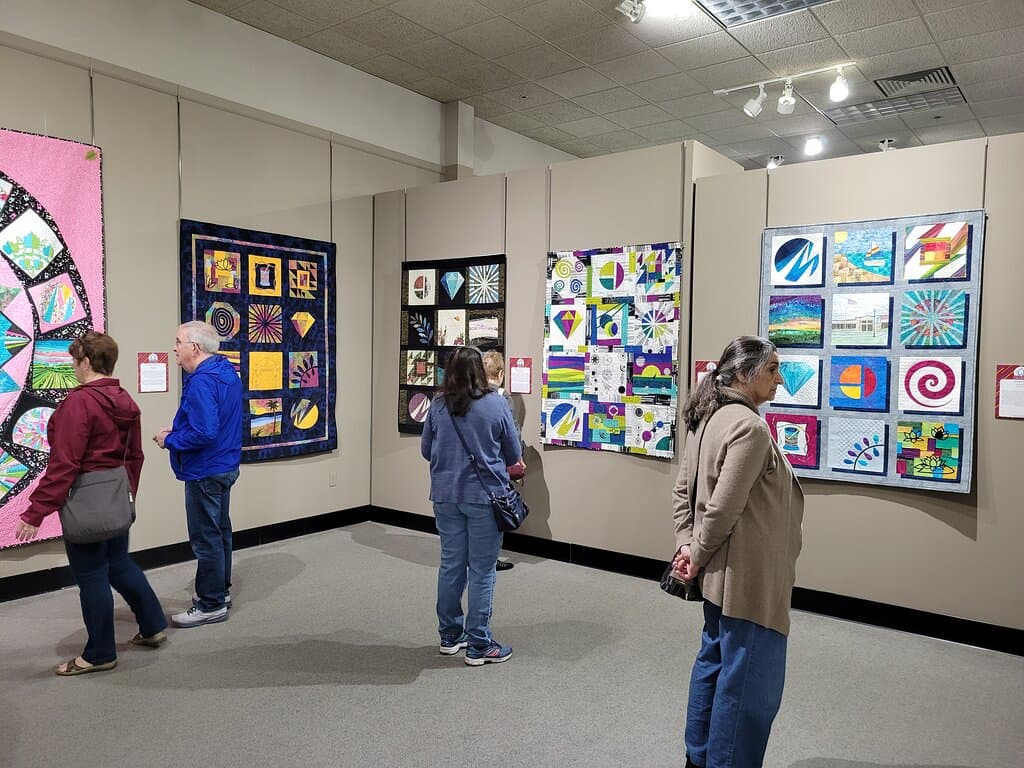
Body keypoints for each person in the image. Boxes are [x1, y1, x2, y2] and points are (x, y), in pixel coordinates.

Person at [671, 336, 804, 768]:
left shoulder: (709, 416)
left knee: (714, 666)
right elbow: (721, 507)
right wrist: (697, 553)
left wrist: (688, 548)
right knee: (748, 689)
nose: (780, 379)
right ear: (745, 374)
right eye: (772, 369)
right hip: (746, 583)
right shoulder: (748, 427)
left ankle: (700, 758)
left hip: (720, 581)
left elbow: (684, 493)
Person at [15, 331, 167, 676]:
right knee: (120, 565)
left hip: (85, 500)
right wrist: (126, 494)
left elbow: (64, 464)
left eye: (74, 360)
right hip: (115, 495)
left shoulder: (79, 404)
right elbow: (135, 456)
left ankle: (99, 653)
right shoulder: (125, 400)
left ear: (85, 362)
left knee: (91, 576)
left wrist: (35, 512)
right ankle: (154, 624)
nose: (72, 366)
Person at [421, 347, 521, 665]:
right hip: (484, 498)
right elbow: (513, 452)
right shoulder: (495, 404)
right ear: (480, 370)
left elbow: (427, 450)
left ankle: (450, 636)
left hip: (445, 497)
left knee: (451, 566)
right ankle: (479, 643)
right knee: (482, 571)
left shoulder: (437, 406)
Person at [154, 321, 242, 628]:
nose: (174, 348)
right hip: (225, 466)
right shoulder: (227, 372)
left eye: (177, 341)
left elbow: (205, 432)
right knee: (220, 533)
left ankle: (211, 603)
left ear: (194, 347)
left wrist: (170, 440)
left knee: (206, 539)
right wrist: (177, 429)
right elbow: (214, 422)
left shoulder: (202, 382)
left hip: (205, 470)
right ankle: (221, 591)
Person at [481, 349, 525, 572]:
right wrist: (518, 458)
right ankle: (491, 558)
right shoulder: (502, 398)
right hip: (497, 466)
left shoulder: (470, 397)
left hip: (474, 469)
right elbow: (513, 434)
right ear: (499, 373)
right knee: (497, 514)